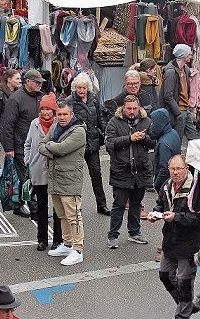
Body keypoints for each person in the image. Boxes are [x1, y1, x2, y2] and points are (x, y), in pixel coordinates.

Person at [148, 155, 200, 319]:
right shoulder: (167, 185)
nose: (175, 172)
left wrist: (177, 217)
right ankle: (187, 305)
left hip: (189, 243)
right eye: (172, 168)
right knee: (165, 275)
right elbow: (160, 205)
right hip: (170, 240)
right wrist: (155, 214)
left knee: (184, 281)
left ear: (186, 169)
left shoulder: (196, 189)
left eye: (178, 169)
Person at [39, 101, 86, 266]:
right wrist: (53, 150)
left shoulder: (79, 131)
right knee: (62, 215)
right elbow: (41, 146)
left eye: (65, 114)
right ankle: (67, 244)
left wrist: (51, 148)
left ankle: (78, 249)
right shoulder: (55, 126)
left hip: (70, 180)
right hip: (55, 179)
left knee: (74, 216)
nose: (61, 117)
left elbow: (60, 149)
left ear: (71, 114)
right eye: (59, 114)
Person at [105, 95, 155, 249]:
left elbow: (154, 142)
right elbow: (109, 143)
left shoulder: (147, 122)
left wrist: (144, 138)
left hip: (140, 171)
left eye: (135, 108)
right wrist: (130, 138)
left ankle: (134, 233)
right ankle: (113, 235)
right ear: (123, 108)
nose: (132, 111)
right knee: (118, 204)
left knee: (136, 204)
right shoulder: (114, 122)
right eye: (129, 109)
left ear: (139, 108)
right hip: (121, 171)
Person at [65, 72, 109, 215]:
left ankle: (101, 205)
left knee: (96, 174)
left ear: (88, 88)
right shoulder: (69, 101)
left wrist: (105, 133)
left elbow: (100, 117)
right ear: (75, 88)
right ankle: (75, 206)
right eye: (79, 88)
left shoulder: (94, 100)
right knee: (75, 176)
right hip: (77, 145)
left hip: (93, 142)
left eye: (84, 88)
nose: (81, 90)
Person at [2, 68, 44, 218]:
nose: (40, 84)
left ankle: (19, 205)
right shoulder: (15, 99)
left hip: (38, 145)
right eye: (37, 82)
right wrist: (9, 148)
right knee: (27, 177)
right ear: (27, 82)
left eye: (41, 82)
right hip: (21, 145)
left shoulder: (41, 96)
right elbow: (7, 125)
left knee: (32, 176)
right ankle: (35, 210)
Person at [23, 93, 63, 251]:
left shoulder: (59, 124)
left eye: (48, 109)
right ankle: (42, 239)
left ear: (53, 111)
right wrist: (28, 160)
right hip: (38, 170)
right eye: (43, 109)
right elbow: (27, 144)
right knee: (41, 206)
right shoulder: (34, 124)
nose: (45, 112)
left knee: (57, 207)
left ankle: (58, 240)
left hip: (55, 171)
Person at [160, 43, 198, 140]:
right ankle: (177, 155)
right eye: (189, 54)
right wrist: (177, 113)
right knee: (177, 139)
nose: (191, 56)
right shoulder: (171, 72)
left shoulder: (185, 69)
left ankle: (194, 155)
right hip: (178, 111)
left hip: (185, 109)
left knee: (194, 137)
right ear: (184, 55)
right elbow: (168, 95)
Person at [149, 108, 181, 194]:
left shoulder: (163, 143)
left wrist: (157, 185)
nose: (151, 125)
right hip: (174, 181)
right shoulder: (174, 133)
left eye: (153, 122)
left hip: (166, 185)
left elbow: (164, 169)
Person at [0, 68, 21, 145]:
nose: (20, 81)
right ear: (9, 80)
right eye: (17, 78)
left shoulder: (18, 93)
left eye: (20, 78)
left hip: (15, 129)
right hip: (4, 130)